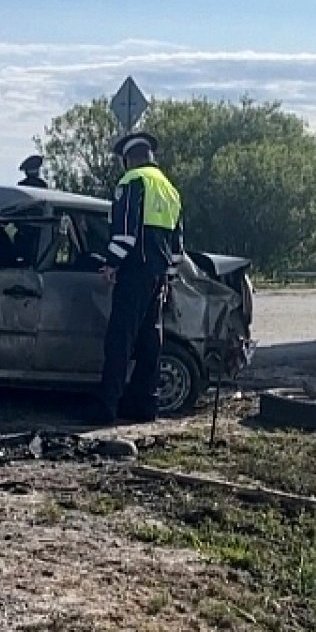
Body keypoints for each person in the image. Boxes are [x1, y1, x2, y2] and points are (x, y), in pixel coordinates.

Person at [92, 132, 184, 425]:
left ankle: (106, 408)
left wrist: (111, 263)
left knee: (119, 339)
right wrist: (168, 277)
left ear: (128, 159)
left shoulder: (132, 181)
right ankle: (145, 407)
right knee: (149, 343)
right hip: (158, 276)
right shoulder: (170, 189)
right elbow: (177, 244)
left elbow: (125, 231)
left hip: (134, 272)